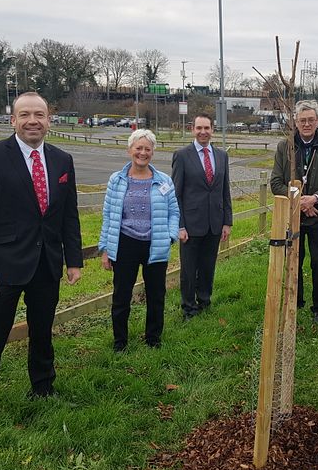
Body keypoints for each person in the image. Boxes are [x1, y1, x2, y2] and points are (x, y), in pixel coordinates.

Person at [0, 92, 83, 436]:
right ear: (12, 119)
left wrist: (73, 259)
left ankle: (42, 388)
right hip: (4, 268)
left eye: (40, 115)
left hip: (47, 265)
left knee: (43, 332)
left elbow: (67, 215)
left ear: (49, 120)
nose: (33, 120)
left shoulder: (62, 160)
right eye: (25, 114)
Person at [99, 129, 180, 351]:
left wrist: (171, 235)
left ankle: (153, 339)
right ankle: (120, 342)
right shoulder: (116, 180)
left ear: (153, 152)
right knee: (121, 296)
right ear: (129, 150)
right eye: (138, 148)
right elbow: (108, 215)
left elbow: (174, 212)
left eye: (147, 149)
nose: (142, 153)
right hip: (126, 244)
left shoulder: (164, 181)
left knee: (156, 295)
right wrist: (105, 248)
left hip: (156, 245)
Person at [270, 100, 318, 324]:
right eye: (303, 120)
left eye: (311, 120)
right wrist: (300, 201)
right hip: (294, 216)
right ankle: (296, 301)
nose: (307, 124)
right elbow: (276, 182)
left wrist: (315, 200)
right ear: (295, 122)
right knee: (294, 260)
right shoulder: (285, 147)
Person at [171, 114, 232, 320]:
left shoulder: (222, 156)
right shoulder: (182, 155)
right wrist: (180, 226)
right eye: (199, 128)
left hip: (214, 223)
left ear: (212, 129)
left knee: (208, 265)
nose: (203, 132)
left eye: (207, 128)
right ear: (192, 129)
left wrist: (227, 221)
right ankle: (189, 307)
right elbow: (176, 194)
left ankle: (204, 301)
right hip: (190, 225)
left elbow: (225, 191)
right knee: (189, 269)